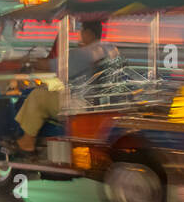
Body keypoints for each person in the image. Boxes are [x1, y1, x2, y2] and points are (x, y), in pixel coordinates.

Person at [10, 18, 120, 154]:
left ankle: (27, 141)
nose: (80, 35)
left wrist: (28, 61)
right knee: (51, 91)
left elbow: (48, 65)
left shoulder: (83, 53)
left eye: (82, 31)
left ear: (88, 33)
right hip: (100, 102)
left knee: (38, 95)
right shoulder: (111, 49)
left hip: (79, 106)